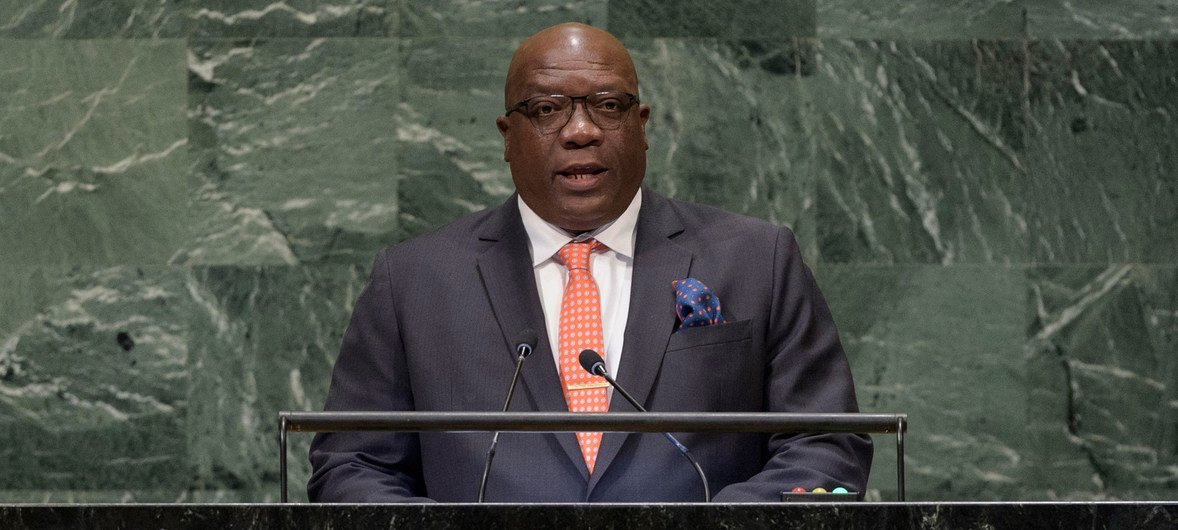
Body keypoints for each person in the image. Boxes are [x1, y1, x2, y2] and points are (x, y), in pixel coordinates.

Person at [308, 22, 871, 502]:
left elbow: (824, 444)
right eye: (548, 109)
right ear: (508, 136)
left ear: (642, 126)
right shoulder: (413, 281)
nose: (582, 131)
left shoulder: (757, 258)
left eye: (608, 106)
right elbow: (353, 465)